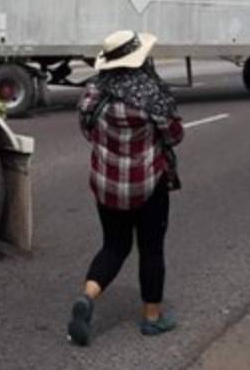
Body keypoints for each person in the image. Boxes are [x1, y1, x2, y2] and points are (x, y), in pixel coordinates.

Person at [68, 30, 185, 346]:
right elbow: (174, 135)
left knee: (114, 246)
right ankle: (152, 319)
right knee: (151, 249)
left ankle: (87, 297)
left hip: (107, 186)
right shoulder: (152, 97)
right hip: (148, 187)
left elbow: (88, 132)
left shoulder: (93, 94)